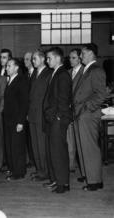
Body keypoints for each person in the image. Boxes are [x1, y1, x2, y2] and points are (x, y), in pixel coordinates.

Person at [73, 43, 106, 191]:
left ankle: (95, 181)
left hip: (88, 115)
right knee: (82, 148)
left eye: (83, 53)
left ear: (92, 54)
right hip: (80, 114)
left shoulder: (96, 70)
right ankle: (88, 176)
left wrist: (86, 108)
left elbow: (101, 95)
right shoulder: (86, 70)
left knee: (90, 148)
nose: (81, 56)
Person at [42, 47, 72, 193]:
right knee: (53, 151)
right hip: (52, 119)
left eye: (49, 58)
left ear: (58, 58)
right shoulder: (55, 73)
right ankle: (56, 180)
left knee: (59, 151)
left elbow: (64, 98)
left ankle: (63, 184)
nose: (47, 61)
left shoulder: (63, 74)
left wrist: (59, 116)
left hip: (58, 119)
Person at [3, 58, 29, 180]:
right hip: (8, 120)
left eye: (9, 66)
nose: (6, 68)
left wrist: (20, 121)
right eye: (6, 66)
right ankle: (13, 169)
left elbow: (24, 103)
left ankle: (19, 172)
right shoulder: (10, 80)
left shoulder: (21, 80)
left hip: (16, 120)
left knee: (17, 147)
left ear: (16, 67)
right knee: (10, 146)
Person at [28, 50, 52, 181]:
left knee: (42, 145)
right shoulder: (34, 73)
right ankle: (39, 170)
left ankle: (45, 172)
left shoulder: (48, 73)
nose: (33, 61)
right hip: (32, 114)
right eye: (32, 59)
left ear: (43, 59)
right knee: (35, 144)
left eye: (35, 58)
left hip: (42, 115)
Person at [66, 48, 84, 172]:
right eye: (70, 58)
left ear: (80, 58)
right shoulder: (67, 72)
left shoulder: (85, 73)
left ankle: (84, 168)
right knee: (69, 140)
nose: (71, 60)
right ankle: (71, 165)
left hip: (81, 112)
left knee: (81, 142)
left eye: (73, 58)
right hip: (68, 111)